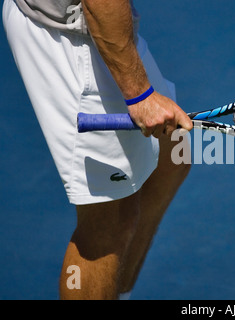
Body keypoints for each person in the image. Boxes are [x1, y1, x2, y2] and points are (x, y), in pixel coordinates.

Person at [3, 0, 193, 300]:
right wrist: (139, 94)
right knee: (109, 219)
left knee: (171, 155)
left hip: (107, 22)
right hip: (77, 34)